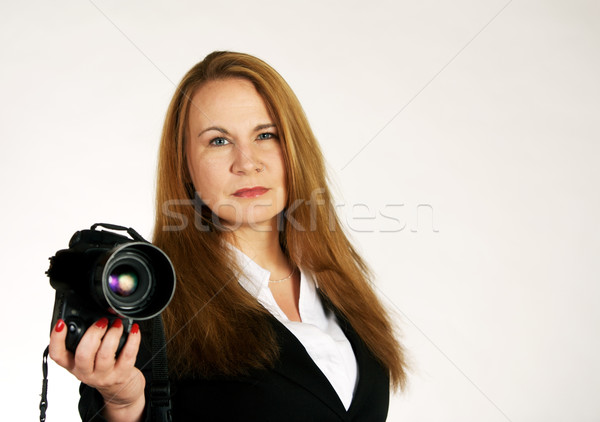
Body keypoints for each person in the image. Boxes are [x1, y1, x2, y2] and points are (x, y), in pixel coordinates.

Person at [49, 51, 407, 421]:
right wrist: (124, 405)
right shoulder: (154, 304)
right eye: (219, 141)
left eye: (266, 135)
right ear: (184, 165)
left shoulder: (339, 284)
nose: (247, 162)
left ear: (295, 150)